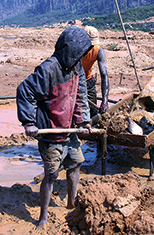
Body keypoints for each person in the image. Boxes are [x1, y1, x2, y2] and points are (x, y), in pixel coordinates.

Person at [16, 26, 92, 229]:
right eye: (80, 54)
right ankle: (43, 218)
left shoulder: (77, 68)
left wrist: (83, 121)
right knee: (51, 175)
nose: (81, 58)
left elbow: (80, 97)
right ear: (71, 50)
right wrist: (28, 122)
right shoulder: (48, 69)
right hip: (51, 132)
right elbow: (24, 91)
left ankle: (71, 202)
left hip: (69, 131)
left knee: (75, 164)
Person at [82, 25, 109, 117]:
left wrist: (105, 101)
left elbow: (104, 75)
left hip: (88, 81)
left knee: (93, 113)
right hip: (74, 82)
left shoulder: (98, 51)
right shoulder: (74, 50)